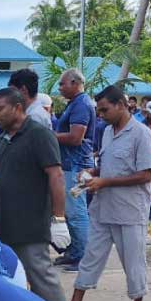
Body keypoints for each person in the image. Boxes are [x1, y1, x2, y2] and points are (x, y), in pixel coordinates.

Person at [68, 85, 151, 301]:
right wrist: (92, 173)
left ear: (121, 105)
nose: (101, 115)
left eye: (105, 109)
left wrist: (106, 181)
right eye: (99, 110)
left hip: (130, 210)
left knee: (133, 262)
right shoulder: (107, 131)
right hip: (103, 208)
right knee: (91, 256)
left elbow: (145, 175)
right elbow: (108, 166)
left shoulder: (141, 133)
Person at [0, 88, 73, 301]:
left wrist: (59, 219)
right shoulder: (2, 141)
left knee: (41, 276)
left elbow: (56, 176)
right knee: (9, 279)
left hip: (31, 225)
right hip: (4, 225)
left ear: (17, 107)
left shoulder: (39, 135)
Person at [53, 69, 96, 271]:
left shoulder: (81, 105)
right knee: (71, 211)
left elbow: (76, 137)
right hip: (72, 164)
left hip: (78, 166)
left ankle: (83, 258)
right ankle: (74, 252)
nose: (60, 88)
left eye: (62, 84)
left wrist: (49, 135)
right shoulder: (75, 103)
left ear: (74, 83)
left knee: (76, 211)